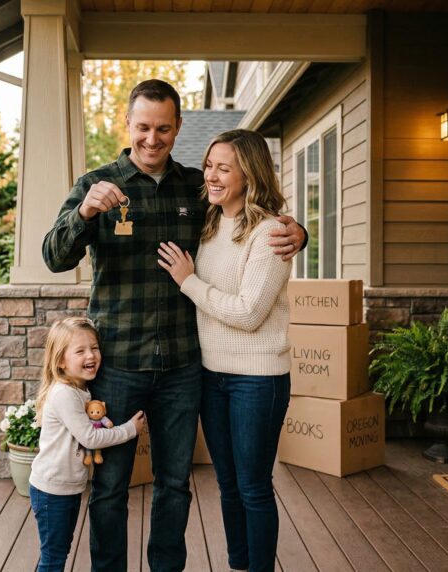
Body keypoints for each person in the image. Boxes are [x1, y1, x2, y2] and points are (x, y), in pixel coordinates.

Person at [42, 79, 305, 572]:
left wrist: (298, 231)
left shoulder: (194, 186)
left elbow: (245, 214)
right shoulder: (97, 185)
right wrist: (82, 213)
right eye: (143, 127)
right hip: (118, 362)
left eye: (163, 129)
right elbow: (54, 257)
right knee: (111, 486)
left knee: (173, 484)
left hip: (185, 366)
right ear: (127, 125)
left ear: (178, 128)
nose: (152, 139)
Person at [158, 129, 292, 572]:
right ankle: (239, 564)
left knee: (253, 485)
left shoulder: (271, 233)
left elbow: (250, 313)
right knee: (228, 483)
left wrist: (189, 282)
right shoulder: (210, 222)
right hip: (211, 375)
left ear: (249, 173)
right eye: (209, 165)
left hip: (257, 379)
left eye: (223, 168)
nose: (210, 176)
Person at [29, 317, 147, 572]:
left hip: (67, 489)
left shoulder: (80, 391)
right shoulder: (64, 394)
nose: (91, 355)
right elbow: (90, 438)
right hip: (52, 491)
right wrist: (129, 430)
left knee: (60, 551)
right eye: (80, 351)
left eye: (94, 348)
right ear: (60, 360)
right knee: (54, 557)